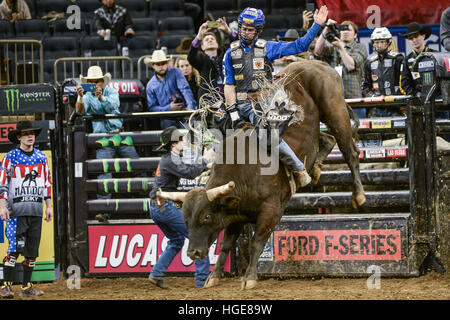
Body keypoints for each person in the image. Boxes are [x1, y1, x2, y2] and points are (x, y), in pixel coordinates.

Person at [222, 6, 328, 189]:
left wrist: (316, 26)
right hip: (238, 105)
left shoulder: (268, 48)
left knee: (268, 139)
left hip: (262, 104)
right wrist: (233, 114)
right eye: (243, 28)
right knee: (214, 130)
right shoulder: (229, 54)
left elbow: (300, 46)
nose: (246, 33)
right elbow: (229, 84)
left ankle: (298, 168)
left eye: (250, 29)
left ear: (258, 31)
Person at [148, 126, 215, 289]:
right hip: (166, 207)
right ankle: (202, 280)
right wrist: (206, 160)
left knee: (176, 241)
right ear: (173, 143)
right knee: (197, 237)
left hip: (157, 207)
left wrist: (203, 164)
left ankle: (157, 274)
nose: (184, 141)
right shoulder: (170, 160)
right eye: (181, 139)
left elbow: (190, 169)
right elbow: (190, 173)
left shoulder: (169, 159)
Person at [75, 65, 142, 222]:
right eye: (91, 81)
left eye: (96, 81)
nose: (95, 84)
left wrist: (101, 98)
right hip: (103, 138)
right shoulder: (87, 96)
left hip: (118, 133)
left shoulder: (111, 91)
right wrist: (79, 97)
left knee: (138, 165)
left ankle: (148, 202)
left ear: (102, 82)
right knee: (103, 173)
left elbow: (113, 106)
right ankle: (104, 210)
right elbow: (80, 111)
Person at [0, 121, 52, 298]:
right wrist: (2, 206)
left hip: (35, 210)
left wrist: (49, 206)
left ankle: (26, 286)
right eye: (26, 133)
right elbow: (2, 183)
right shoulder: (10, 157)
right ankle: (5, 286)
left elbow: (47, 183)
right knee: (14, 248)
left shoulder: (41, 157)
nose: (31, 136)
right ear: (19, 137)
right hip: (16, 212)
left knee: (31, 251)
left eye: (33, 133)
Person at [314, 19, 368, 118]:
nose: (345, 32)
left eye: (349, 30)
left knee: (358, 131)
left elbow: (350, 65)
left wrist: (341, 48)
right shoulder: (333, 48)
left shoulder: (360, 47)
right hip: (335, 99)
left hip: (354, 100)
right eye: (343, 30)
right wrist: (326, 29)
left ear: (355, 35)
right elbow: (317, 51)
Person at [188, 18, 238, 101]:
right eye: (207, 40)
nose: (210, 40)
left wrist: (227, 30)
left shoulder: (226, 54)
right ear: (202, 47)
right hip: (209, 99)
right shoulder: (201, 59)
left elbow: (237, 45)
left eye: (212, 39)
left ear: (217, 44)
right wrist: (199, 36)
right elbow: (191, 56)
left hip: (230, 96)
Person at [145, 49, 196, 129]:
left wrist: (190, 109)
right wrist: (169, 108)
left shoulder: (176, 72)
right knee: (169, 133)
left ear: (167, 64)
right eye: (158, 64)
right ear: (153, 65)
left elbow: (185, 89)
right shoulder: (150, 85)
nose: (161, 66)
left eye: (163, 63)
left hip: (184, 112)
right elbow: (152, 107)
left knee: (190, 133)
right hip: (167, 117)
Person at [361, 27, 405, 117]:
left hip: (396, 106)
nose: (379, 45)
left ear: (388, 42)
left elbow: (405, 83)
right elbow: (365, 86)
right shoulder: (369, 62)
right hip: (377, 107)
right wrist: (373, 98)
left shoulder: (398, 58)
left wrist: (398, 100)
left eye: (382, 42)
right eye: (376, 42)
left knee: (397, 131)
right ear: (373, 44)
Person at [399, 22, 437, 97]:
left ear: (423, 36)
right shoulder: (406, 60)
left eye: (416, 36)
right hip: (417, 102)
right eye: (410, 38)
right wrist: (416, 94)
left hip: (437, 100)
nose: (414, 40)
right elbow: (404, 84)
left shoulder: (436, 56)